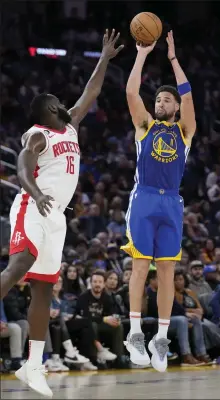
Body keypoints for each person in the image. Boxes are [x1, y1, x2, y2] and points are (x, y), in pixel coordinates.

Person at [0, 30, 123, 397]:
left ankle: (33, 365)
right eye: (58, 101)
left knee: (44, 289)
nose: (66, 104)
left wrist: (103, 58)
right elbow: (23, 166)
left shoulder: (69, 127)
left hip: (56, 217)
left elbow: (92, 93)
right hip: (32, 206)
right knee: (20, 265)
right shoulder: (38, 134)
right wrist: (35, 193)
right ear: (49, 109)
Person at [121, 30, 196, 372]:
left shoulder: (185, 131)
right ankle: (136, 333)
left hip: (172, 204)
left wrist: (173, 60)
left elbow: (188, 93)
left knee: (167, 270)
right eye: (158, 101)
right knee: (140, 266)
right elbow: (131, 91)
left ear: (176, 106)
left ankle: (160, 339)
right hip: (145, 199)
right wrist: (142, 54)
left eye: (166, 101)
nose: (160, 104)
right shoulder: (145, 126)